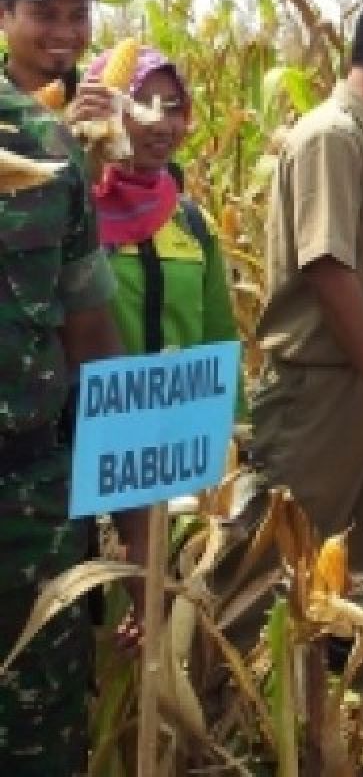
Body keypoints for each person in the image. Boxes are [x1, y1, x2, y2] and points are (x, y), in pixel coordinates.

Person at [227, 0, 363, 725]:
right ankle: (219, 704)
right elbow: (329, 270)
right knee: (268, 558)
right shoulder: (331, 137)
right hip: (325, 389)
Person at [0, 71, 146, 771]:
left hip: (28, 517)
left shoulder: (42, 144)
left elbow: (93, 343)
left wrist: (146, 557)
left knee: (40, 746)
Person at [79, 45, 242, 406]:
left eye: (173, 109)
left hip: (177, 439)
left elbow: (218, 337)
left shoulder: (193, 222)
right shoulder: (69, 218)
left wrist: (234, 427)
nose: (162, 125)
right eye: (140, 105)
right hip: (88, 437)